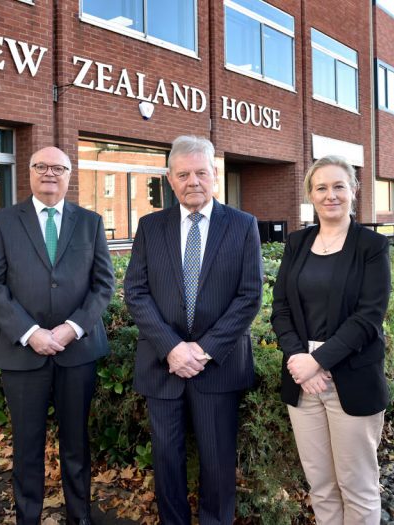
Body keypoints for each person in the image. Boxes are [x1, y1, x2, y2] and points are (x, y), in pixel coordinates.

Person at [123, 135, 262, 525]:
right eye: (183, 174)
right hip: (162, 365)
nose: (193, 181)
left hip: (217, 367)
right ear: (170, 179)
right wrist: (172, 348)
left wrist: (202, 350)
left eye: (201, 172)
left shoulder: (242, 225)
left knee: (218, 464)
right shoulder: (150, 227)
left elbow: (249, 296)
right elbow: (135, 291)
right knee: (167, 462)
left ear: (214, 175)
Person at [0, 146, 114, 525]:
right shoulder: (3, 222)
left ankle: (79, 518)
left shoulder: (91, 222)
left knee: (76, 446)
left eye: (59, 167)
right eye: (41, 166)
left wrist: (72, 328)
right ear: (30, 172)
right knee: (27, 448)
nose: (50, 173)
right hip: (22, 355)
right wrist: (30, 332)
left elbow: (104, 285)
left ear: (70, 175)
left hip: (77, 353)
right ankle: (28, 518)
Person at [270, 156, 391, 525]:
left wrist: (318, 360)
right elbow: (281, 309)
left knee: (357, 485)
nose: (330, 195)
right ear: (310, 194)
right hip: (302, 378)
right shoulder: (297, 242)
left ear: (354, 191)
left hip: (350, 376)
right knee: (320, 484)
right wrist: (299, 360)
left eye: (339, 186)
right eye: (321, 187)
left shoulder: (371, 246)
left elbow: (369, 317)